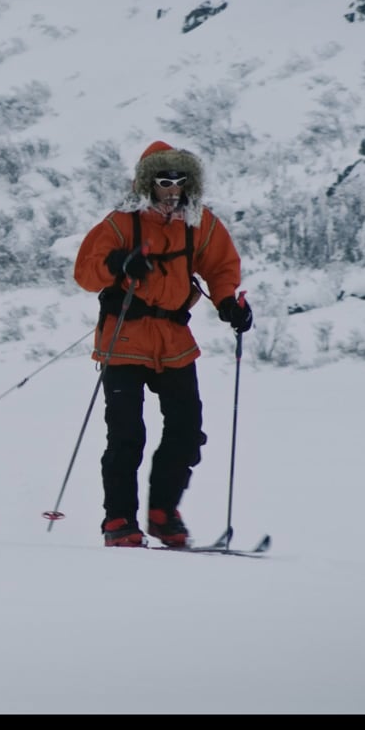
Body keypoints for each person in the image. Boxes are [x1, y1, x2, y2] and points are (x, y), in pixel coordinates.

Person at [73, 141, 253, 548]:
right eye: (164, 179)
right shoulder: (120, 224)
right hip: (124, 339)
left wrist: (228, 303)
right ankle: (119, 520)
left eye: (180, 179)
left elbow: (221, 266)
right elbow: (85, 273)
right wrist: (119, 263)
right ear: (147, 183)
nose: (173, 188)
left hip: (174, 342)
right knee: (126, 435)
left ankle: (161, 512)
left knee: (187, 431)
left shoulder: (200, 223)